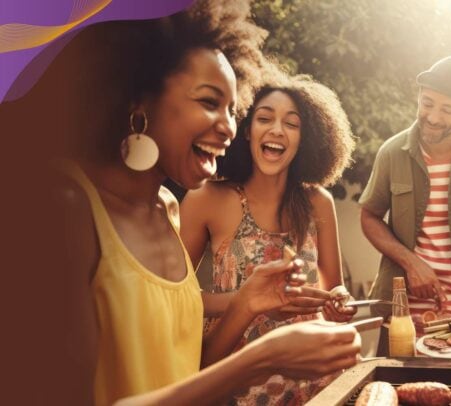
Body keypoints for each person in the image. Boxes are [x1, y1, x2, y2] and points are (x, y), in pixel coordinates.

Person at [30, 2, 361, 404]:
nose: (228, 127)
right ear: (139, 99)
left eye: (232, 109)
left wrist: (245, 303)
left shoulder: (167, 208)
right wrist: (260, 358)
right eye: (209, 102)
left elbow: (188, 375)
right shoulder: (65, 206)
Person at [180, 75, 357, 404]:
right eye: (264, 118)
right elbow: (179, 298)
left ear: (305, 138)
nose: (277, 130)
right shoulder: (206, 198)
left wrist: (339, 302)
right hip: (241, 373)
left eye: (292, 124)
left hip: (315, 374)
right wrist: (248, 300)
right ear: (246, 130)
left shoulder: (318, 201)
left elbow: (333, 285)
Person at [359, 55, 451, 355]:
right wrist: (412, 263)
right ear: (418, 96)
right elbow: (369, 217)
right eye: (427, 103)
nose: (434, 116)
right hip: (401, 312)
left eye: (447, 109)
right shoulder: (391, 153)